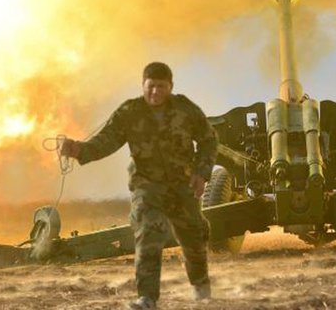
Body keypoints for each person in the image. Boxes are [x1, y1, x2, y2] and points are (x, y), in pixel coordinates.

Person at [60, 61, 218, 310]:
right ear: (143, 85)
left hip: (182, 185)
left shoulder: (185, 110)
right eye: (151, 86)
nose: (155, 92)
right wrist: (80, 150)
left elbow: (209, 141)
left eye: (161, 87)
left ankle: (201, 287)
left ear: (171, 87)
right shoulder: (130, 112)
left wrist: (202, 173)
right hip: (148, 186)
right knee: (147, 233)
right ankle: (147, 297)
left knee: (193, 238)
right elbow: (107, 141)